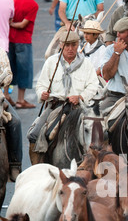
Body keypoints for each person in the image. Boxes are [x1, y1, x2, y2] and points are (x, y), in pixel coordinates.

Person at [27, 30, 99, 162]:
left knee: (100, 135)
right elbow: (41, 85)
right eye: (67, 45)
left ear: (78, 45)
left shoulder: (86, 64)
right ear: (61, 45)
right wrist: (42, 93)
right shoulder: (51, 62)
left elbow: (93, 86)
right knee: (35, 134)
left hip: (79, 109)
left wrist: (80, 96)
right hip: (55, 107)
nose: (70, 49)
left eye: (73, 45)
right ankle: (40, 168)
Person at [4, 0, 40, 109]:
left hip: (10, 39)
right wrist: (14, 24)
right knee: (24, 69)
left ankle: (6, 93)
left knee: (10, 67)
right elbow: (23, 24)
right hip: (23, 40)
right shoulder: (33, 5)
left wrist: (9, 24)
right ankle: (20, 99)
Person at [0, 46, 23, 181]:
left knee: (15, 121)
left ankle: (15, 164)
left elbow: (8, 74)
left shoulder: (0, 52)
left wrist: (2, 80)